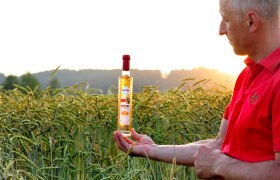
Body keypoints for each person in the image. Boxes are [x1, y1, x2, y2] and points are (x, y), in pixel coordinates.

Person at [113, 0, 280, 179]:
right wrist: (152, 150)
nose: (221, 30)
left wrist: (219, 164)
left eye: (227, 20)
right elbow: (219, 144)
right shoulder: (246, 75)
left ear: (251, 21)